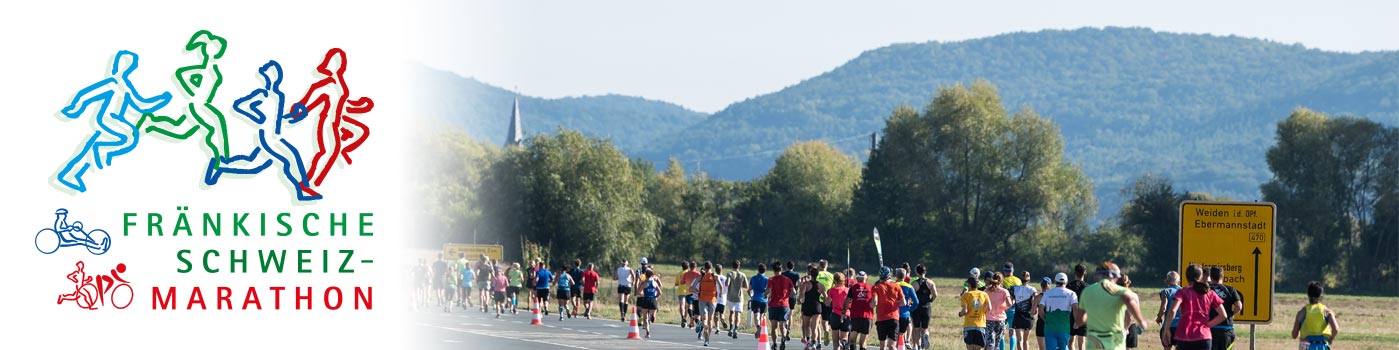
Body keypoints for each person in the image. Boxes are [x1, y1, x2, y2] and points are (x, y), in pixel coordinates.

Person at [55, 50, 171, 193]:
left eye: (128, 66)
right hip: (107, 119)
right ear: (117, 66)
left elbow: (140, 105)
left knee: (88, 150)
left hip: (115, 120)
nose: (125, 69)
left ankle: (70, 175)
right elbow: (87, 95)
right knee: (130, 136)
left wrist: (161, 99)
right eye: (124, 65)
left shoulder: (125, 87)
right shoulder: (111, 83)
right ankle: (100, 149)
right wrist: (73, 108)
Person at [208, 60, 318, 200]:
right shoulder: (262, 94)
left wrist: (292, 117)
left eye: (276, 74)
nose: (274, 77)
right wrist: (258, 118)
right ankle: (301, 191)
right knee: (289, 160)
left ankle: (221, 167)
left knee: (252, 164)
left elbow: (277, 119)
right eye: (271, 74)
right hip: (266, 137)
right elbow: (238, 107)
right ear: (266, 76)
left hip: (275, 136)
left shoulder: (278, 95)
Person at [139, 30, 232, 186]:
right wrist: (193, 93)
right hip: (196, 106)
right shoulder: (202, 70)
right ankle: (220, 160)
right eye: (213, 48)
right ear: (207, 50)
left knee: (180, 129)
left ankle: (150, 122)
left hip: (202, 106)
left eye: (217, 49)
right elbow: (181, 74)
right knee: (212, 128)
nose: (216, 52)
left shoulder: (212, 70)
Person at [292, 48, 374, 198]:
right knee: (324, 152)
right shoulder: (328, 83)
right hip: (326, 123)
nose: (341, 66)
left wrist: (360, 106)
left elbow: (342, 105)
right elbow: (314, 95)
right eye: (338, 63)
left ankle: (306, 184)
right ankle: (304, 185)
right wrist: (302, 108)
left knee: (332, 150)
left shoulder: (337, 83)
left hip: (335, 122)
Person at [1074, 262, 1147, 350]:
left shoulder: (1087, 292)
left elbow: (1079, 321)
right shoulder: (1120, 291)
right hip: (1114, 343)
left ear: (1097, 276)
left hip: (1094, 343)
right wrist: (1141, 321)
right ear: (1115, 277)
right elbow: (1130, 300)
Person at [1163, 264, 1226, 350]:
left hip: (1185, 336)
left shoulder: (1182, 292)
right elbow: (1223, 315)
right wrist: (1207, 325)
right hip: (1204, 337)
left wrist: (1166, 329)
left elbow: (1172, 311)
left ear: (1186, 277)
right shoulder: (1209, 293)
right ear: (1200, 276)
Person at [1291, 281, 1340, 350]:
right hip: (1322, 346)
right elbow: (1336, 329)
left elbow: (1294, 335)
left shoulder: (1301, 313)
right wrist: (1330, 339)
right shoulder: (1327, 312)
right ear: (1320, 295)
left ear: (1308, 295)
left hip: (1307, 346)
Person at [1206, 266, 1242, 350]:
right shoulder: (1230, 289)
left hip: (1210, 328)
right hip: (1226, 328)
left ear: (1211, 277)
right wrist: (1232, 314)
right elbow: (1239, 306)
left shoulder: (1207, 289)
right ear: (1223, 277)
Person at [1039, 273, 1077, 350]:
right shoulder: (1071, 294)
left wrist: (1046, 320)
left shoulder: (1047, 293)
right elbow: (1075, 309)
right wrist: (1077, 322)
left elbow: (1040, 310)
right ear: (1066, 282)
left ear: (1055, 281)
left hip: (1049, 328)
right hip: (1064, 327)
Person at [871, 267, 906, 350]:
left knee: (882, 346)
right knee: (892, 346)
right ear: (889, 275)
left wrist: (871, 305)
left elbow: (874, 303)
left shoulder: (876, 287)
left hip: (881, 318)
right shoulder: (896, 286)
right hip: (894, 317)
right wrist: (895, 304)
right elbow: (904, 302)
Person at [768, 260, 797, 350]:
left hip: (773, 305)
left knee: (774, 327)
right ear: (781, 269)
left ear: (773, 270)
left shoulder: (771, 279)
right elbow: (794, 292)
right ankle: (783, 338)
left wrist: (765, 294)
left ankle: (775, 344)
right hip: (784, 304)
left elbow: (768, 291)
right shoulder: (787, 280)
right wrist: (787, 295)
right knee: (782, 325)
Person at [693, 261, 723, 346]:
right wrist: (720, 293)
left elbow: (693, 286)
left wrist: (697, 291)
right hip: (712, 299)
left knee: (704, 319)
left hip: (702, 299)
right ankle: (707, 339)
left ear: (704, 268)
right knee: (711, 319)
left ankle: (704, 325)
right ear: (711, 267)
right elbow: (721, 286)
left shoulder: (701, 276)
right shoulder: (715, 276)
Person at [911, 265, 939, 350]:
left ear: (916, 272)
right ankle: (925, 335)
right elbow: (935, 295)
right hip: (926, 307)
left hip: (916, 308)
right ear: (925, 272)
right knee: (925, 328)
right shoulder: (930, 282)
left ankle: (917, 346)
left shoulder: (914, 283)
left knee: (916, 328)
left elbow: (910, 296)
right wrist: (930, 301)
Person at [1010, 271, 1039, 350]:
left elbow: (1010, 300)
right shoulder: (1032, 289)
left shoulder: (1015, 288)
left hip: (1018, 316)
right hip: (1028, 317)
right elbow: (1036, 298)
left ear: (1020, 279)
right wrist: (1035, 308)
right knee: (1026, 341)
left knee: (1019, 340)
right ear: (1029, 280)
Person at [961, 276, 992, 350]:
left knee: (970, 346)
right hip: (980, 324)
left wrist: (960, 314)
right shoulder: (984, 294)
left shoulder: (966, 295)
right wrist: (984, 313)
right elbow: (990, 308)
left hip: (969, 324)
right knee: (981, 345)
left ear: (969, 284)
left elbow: (964, 311)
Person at [845, 271, 874, 350]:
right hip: (867, 317)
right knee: (863, 342)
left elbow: (847, 300)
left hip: (855, 316)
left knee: (852, 340)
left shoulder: (853, 287)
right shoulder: (871, 288)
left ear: (857, 279)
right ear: (866, 279)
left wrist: (844, 312)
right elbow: (875, 302)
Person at [799, 265, 826, 350]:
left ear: (810, 274)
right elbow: (825, 297)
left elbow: (801, 295)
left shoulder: (806, 284)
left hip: (807, 306)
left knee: (807, 326)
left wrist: (798, 300)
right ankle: (814, 343)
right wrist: (824, 300)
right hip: (817, 306)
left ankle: (808, 342)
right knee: (815, 327)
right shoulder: (821, 285)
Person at [986, 272, 1013, 350]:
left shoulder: (986, 290)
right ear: (1001, 281)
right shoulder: (1004, 291)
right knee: (997, 343)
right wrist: (1004, 307)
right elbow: (1010, 304)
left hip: (989, 319)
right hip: (1000, 319)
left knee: (990, 342)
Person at [1156, 271, 1182, 350]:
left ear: (1167, 281)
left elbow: (1163, 308)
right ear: (1178, 281)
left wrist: (1159, 317)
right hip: (1181, 326)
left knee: (1167, 347)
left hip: (1168, 325)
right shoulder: (1183, 291)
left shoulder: (1165, 292)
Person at [1065, 264, 1088, 350]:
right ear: (1085, 273)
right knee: (1082, 343)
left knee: (1071, 342)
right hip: (1084, 316)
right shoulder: (1088, 287)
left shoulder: (1069, 286)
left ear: (1074, 273)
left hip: (1070, 316)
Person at [895, 268, 918, 350]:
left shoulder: (893, 285)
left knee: (894, 337)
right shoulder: (909, 286)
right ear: (905, 276)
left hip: (893, 314)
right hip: (905, 314)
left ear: (896, 276)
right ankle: (904, 344)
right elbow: (916, 302)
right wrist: (910, 309)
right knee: (901, 335)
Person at [826, 272, 850, 350]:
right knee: (844, 336)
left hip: (835, 314)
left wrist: (824, 299)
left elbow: (827, 303)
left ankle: (839, 345)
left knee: (835, 341)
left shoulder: (832, 290)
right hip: (846, 314)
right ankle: (844, 342)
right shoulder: (848, 290)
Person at [727, 260, 750, 339]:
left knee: (731, 313)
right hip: (739, 297)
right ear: (739, 266)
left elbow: (727, 283)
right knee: (738, 314)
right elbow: (746, 286)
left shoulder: (729, 274)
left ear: (732, 266)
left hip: (730, 296)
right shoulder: (742, 275)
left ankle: (731, 328)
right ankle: (736, 329)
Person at [638, 269, 663, 338]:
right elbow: (660, 292)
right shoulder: (655, 283)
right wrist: (655, 296)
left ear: (646, 275)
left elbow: (638, 292)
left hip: (646, 299)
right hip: (653, 299)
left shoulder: (644, 283)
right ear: (652, 275)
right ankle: (653, 315)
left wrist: (642, 293)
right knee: (653, 312)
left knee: (645, 318)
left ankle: (648, 333)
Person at [817, 260, 835, 347]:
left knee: (816, 321)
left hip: (817, 299)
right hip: (827, 300)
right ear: (826, 266)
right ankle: (826, 331)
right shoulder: (831, 276)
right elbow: (833, 288)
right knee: (825, 320)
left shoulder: (817, 274)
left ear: (819, 266)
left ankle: (817, 341)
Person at [751, 263, 771, 339]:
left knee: (756, 316)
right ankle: (760, 329)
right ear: (765, 270)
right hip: (764, 300)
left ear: (758, 270)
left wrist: (751, 295)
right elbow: (769, 289)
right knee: (762, 316)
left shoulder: (753, 278)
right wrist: (767, 296)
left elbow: (749, 289)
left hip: (755, 298)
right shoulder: (767, 279)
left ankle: (758, 328)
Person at [679, 261, 700, 328]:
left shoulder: (686, 274)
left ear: (690, 267)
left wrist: (687, 281)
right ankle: (694, 322)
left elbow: (681, 282)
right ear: (695, 267)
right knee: (695, 308)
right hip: (696, 293)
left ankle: (691, 319)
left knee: (689, 306)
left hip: (688, 292)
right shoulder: (698, 274)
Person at [1120, 275, 1138, 350]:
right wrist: (1126, 328)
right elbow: (1131, 315)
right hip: (1130, 326)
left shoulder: (1113, 295)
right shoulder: (1133, 295)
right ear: (1129, 282)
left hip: (1118, 325)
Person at [1034, 277, 1051, 350]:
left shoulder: (1037, 297)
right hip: (1051, 322)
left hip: (1041, 322)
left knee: (1042, 348)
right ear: (1049, 285)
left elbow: (1033, 311)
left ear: (1041, 285)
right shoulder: (1052, 296)